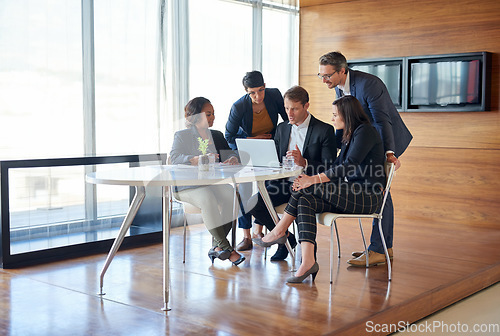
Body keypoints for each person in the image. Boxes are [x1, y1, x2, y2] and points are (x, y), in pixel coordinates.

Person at [255, 95, 386, 283]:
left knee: (305, 187)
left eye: (335, 115)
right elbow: (335, 166)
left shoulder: (365, 131)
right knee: (306, 199)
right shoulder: (349, 135)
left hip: (367, 195)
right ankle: (307, 261)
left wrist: (312, 179)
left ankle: (279, 231)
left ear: (347, 115)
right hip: (350, 192)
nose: (332, 119)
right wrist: (309, 180)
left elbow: (348, 166)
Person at [318, 51, 413, 267]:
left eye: (327, 75)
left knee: (381, 192)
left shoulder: (368, 84)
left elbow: (381, 121)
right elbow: (347, 121)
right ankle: (383, 247)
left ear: (342, 71)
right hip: (365, 143)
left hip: (382, 141)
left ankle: (379, 249)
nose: (324, 80)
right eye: (321, 75)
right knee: (379, 193)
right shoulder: (339, 88)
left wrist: (389, 152)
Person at [249, 85, 337, 261]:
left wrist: (304, 162)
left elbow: (330, 167)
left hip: (308, 185)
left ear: (306, 106)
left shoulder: (324, 130)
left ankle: (308, 257)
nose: (290, 113)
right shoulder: (282, 128)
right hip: (282, 184)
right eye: (287, 108)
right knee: (252, 203)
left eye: (295, 108)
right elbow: (274, 157)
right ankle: (285, 238)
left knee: (301, 204)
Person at [170, 97, 244, 266]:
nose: (213, 118)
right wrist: (193, 159)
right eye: (208, 114)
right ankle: (227, 248)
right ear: (195, 116)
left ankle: (216, 247)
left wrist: (232, 158)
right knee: (207, 198)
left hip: (211, 183)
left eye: (213, 114)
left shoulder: (216, 135)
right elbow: (174, 158)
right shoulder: (182, 135)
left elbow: (231, 153)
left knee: (232, 195)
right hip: (186, 186)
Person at [225, 71, 289, 251]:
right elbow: (229, 135)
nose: (258, 96)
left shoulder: (274, 95)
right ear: (246, 91)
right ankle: (246, 237)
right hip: (248, 149)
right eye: (252, 92)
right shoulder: (239, 106)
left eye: (261, 90)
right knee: (244, 191)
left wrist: (278, 141)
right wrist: (254, 139)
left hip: (271, 149)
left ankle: (259, 232)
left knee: (267, 191)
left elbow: (287, 122)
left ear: (265, 86)